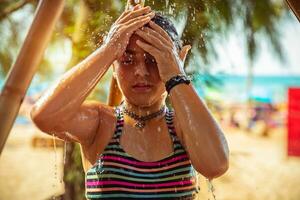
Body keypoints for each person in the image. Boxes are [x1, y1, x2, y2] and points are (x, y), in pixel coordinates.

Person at [30, 5, 229, 199]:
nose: (141, 71)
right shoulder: (101, 124)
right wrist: (109, 49)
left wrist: (176, 74)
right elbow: (44, 116)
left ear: (178, 60)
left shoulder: (183, 127)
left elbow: (216, 165)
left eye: (154, 59)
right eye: (127, 59)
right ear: (112, 67)